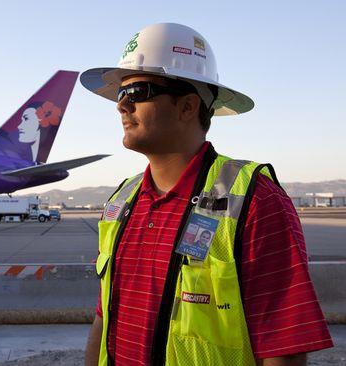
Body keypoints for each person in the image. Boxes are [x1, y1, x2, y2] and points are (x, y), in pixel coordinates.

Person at [80, 23, 333, 366]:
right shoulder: (120, 203)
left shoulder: (255, 200)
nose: (121, 106)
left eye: (137, 92)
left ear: (187, 107)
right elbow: (104, 314)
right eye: (120, 95)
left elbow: (283, 346)